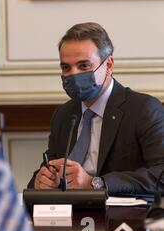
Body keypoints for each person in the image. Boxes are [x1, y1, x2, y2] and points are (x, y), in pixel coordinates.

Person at [28, 22, 164, 194]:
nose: (74, 74)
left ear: (108, 65)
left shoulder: (143, 109)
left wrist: (95, 183)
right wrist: (41, 182)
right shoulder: (64, 114)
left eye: (84, 66)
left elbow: (161, 174)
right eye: (66, 67)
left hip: (125, 217)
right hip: (68, 214)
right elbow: (50, 168)